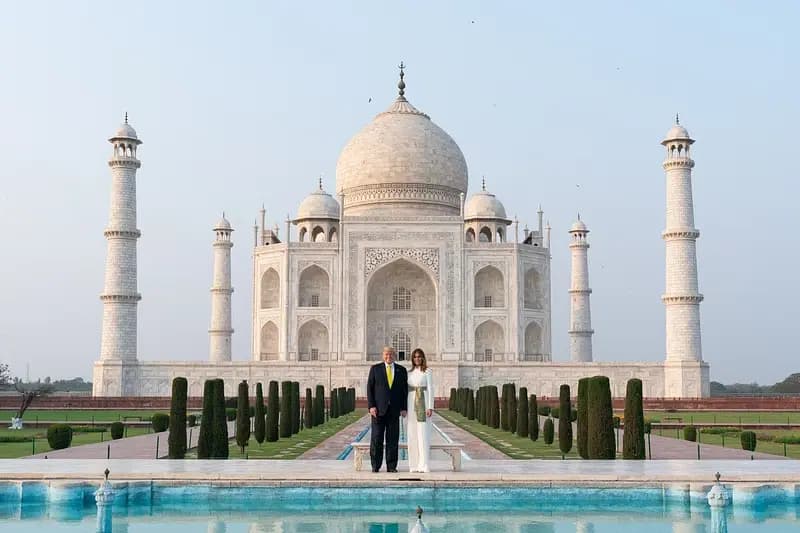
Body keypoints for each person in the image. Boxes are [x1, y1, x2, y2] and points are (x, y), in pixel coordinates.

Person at [367, 346, 408, 472]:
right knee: (376, 438)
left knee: (392, 439)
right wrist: (371, 406)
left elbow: (404, 391)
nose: (388, 356)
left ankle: (391, 466)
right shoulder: (375, 369)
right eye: (386, 354)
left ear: (394, 355)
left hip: (394, 410)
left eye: (391, 354)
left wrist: (404, 408)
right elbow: (370, 388)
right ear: (383, 355)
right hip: (378, 410)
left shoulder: (401, 370)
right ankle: (375, 465)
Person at [406, 348, 434, 472]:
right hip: (411, 402)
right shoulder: (409, 373)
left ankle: (424, 464)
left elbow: (431, 389)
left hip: (423, 402)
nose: (417, 359)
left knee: (423, 434)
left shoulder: (427, 371)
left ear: (422, 358)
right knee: (412, 434)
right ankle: (413, 464)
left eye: (419, 356)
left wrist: (430, 407)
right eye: (415, 357)